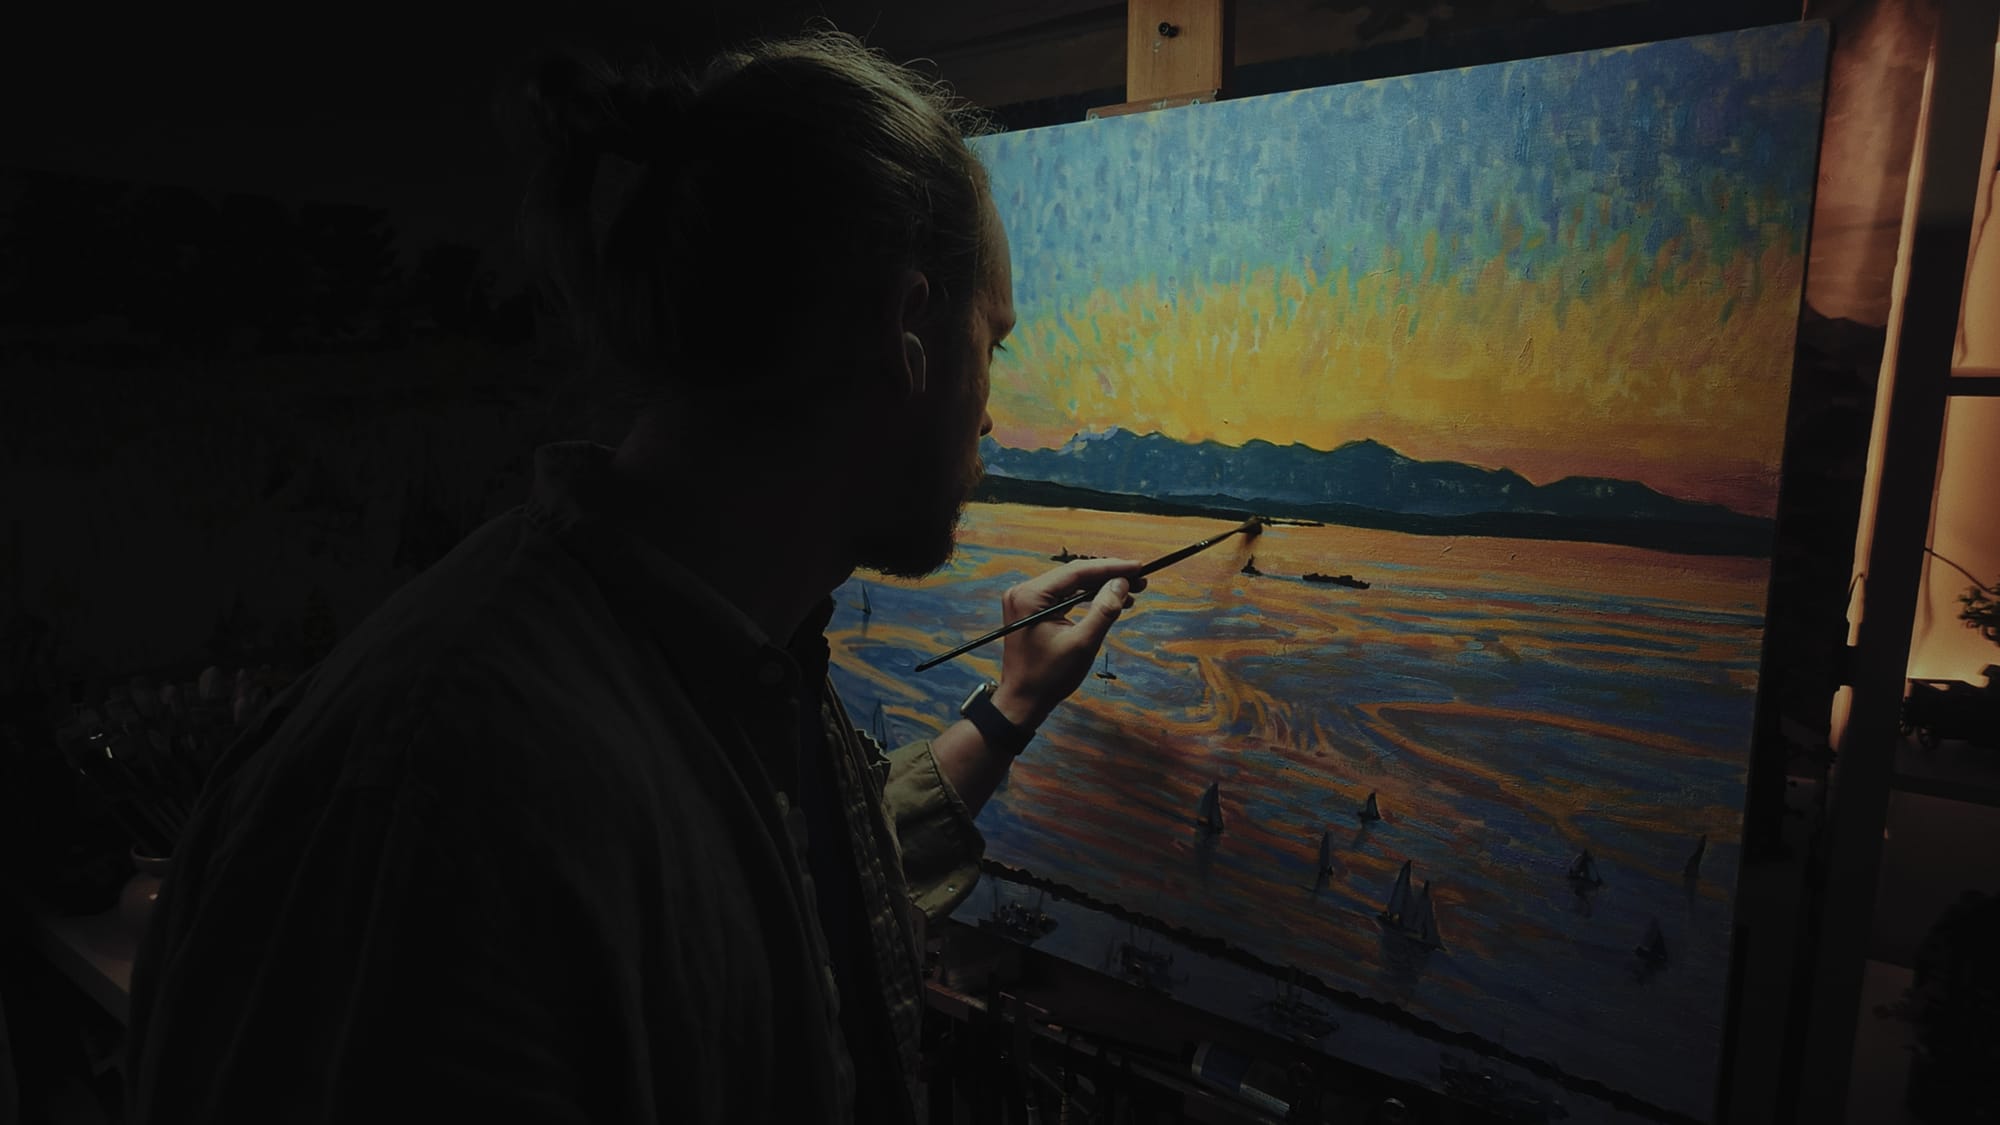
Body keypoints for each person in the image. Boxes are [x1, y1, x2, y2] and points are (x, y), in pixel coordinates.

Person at [124, 28, 1146, 1125]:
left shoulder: (715, 658)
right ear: (906, 332)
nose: (989, 414)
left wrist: (1008, 707)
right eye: (993, 344)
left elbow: (780, 900)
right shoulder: (453, 777)